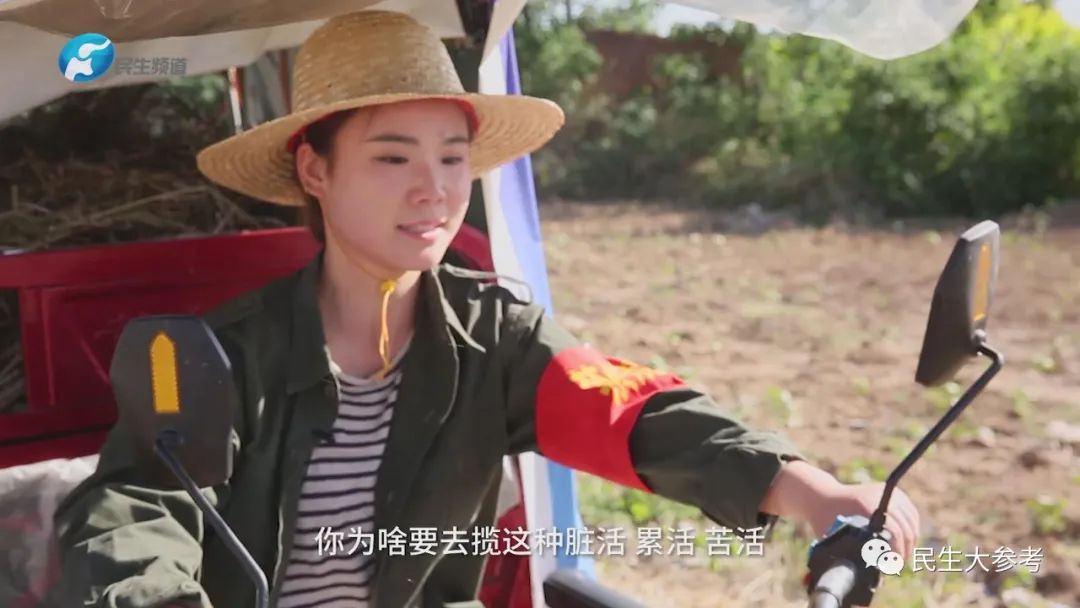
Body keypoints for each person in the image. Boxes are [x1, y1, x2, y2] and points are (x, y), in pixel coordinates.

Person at [52, 10, 920, 608]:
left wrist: (815, 492)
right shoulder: (224, 354)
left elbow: (633, 414)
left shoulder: (496, 338)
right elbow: (135, 506)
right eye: (393, 157)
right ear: (315, 171)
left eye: (452, 157)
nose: (433, 189)